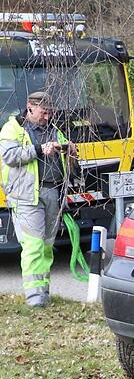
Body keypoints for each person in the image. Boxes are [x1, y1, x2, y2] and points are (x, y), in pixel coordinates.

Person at [0, 91, 77, 308]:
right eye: (44, 112)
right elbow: (10, 156)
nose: (47, 117)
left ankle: (43, 293)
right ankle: (35, 300)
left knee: (46, 246)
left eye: (50, 113)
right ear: (30, 107)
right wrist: (38, 150)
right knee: (33, 245)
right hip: (25, 196)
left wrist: (69, 148)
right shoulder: (12, 128)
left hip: (52, 193)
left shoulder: (53, 129)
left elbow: (64, 150)